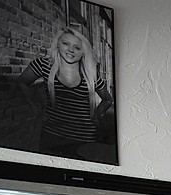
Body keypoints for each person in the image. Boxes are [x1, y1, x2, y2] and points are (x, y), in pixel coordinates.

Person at [15, 24, 113, 158]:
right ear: (58, 45)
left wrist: (96, 115)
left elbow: (108, 99)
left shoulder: (90, 74)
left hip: (84, 138)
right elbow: (22, 82)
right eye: (66, 43)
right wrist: (35, 107)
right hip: (52, 135)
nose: (71, 50)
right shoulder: (44, 65)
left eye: (77, 47)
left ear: (83, 52)